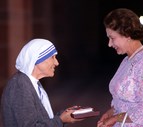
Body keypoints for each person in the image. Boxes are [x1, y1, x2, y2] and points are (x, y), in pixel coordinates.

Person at [1, 38, 83, 127]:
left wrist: (65, 115)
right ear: (37, 59)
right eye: (52, 57)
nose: (57, 62)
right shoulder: (20, 85)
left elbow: (41, 120)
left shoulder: (32, 83)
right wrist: (60, 120)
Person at [97, 8, 143, 127]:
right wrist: (111, 112)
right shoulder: (127, 60)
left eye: (112, 38)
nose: (109, 44)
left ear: (127, 34)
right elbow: (122, 101)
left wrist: (115, 118)